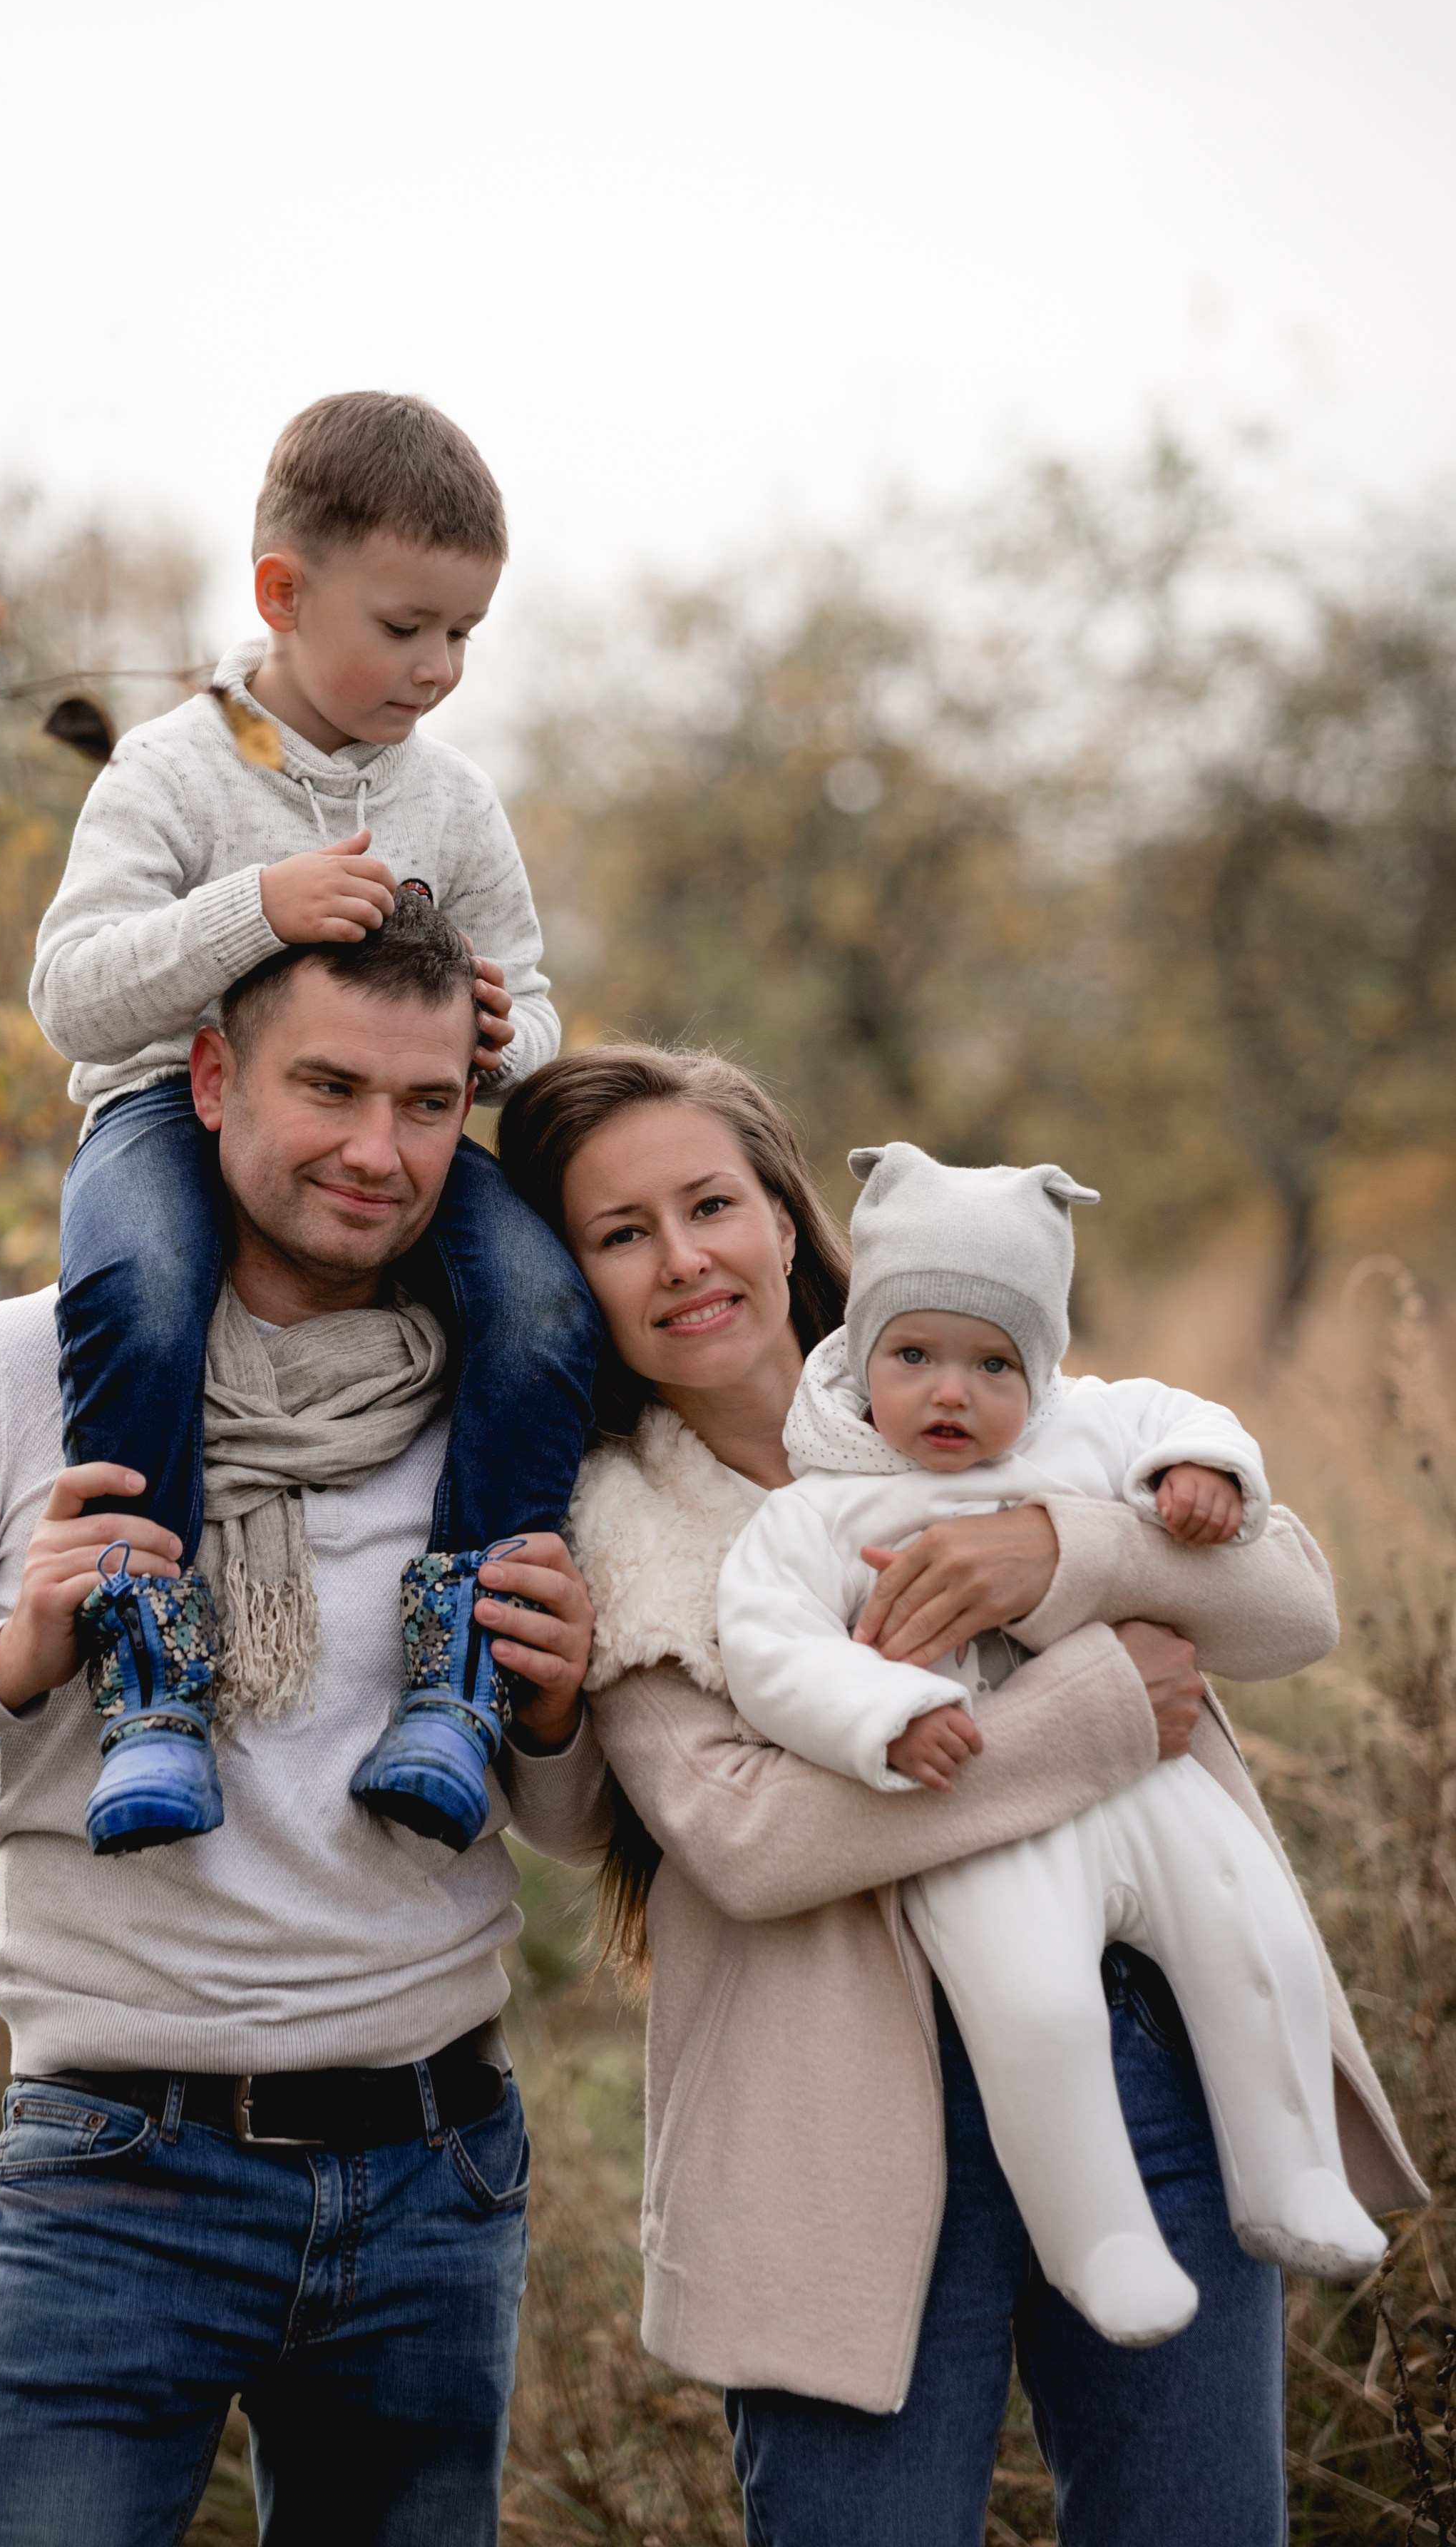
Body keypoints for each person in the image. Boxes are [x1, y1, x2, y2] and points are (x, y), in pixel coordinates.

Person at [0, 902, 611, 2547]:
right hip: (116, 2176)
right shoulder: (21, 1373)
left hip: (435, 2173)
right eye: (328, 1088)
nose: (379, 1150)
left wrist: (548, 1719)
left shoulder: (513, 1388)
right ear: (208, 1077)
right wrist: (12, 1653)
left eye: (427, 1104)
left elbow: (564, 1831)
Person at [496, 1044, 1425, 2547]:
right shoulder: (617, 1527)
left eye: (710, 1203)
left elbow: (1290, 1606)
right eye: (619, 1234)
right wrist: (1100, 1705)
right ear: (571, 1279)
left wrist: (1066, 1554)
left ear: (785, 1219)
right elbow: (751, 1840)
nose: (682, 1261)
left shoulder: (999, 1387)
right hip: (829, 2126)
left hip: (1149, 2066)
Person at [29, 389, 597, 1854]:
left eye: (464, 634)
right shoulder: (174, 771)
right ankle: (151, 1673)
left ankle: (457, 1677)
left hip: (389, 1138)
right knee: (140, 1288)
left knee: (541, 1302)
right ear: (283, 592)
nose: (439, 666)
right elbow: (73, 997)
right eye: (406, 626)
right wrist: (250, 914)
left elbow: (532, 1004)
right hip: (165, 1110)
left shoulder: (453, 804)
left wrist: (493, 1040)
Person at [716, 1138, 1386, 2354]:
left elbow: (1190, 1421)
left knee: (1258, 1935)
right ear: (864, 1357)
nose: (952, 1395)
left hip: (1148, 1780)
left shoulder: (1087, 1434)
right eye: (913, 1357)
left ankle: (1292, 2173)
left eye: (993, 1363)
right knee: (1036, 2009)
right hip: (984, 1804)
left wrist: (1203, 1475)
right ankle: (1104, 2244)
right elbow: (767, 1646)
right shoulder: (820, 1507)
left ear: (1044, 1366)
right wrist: (884, 1715)